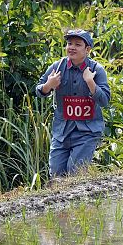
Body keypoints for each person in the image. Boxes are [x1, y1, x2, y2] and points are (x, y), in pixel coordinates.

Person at [35, 28, 111, 177]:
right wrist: (48, 85)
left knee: (75, 173)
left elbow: (105, 101)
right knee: (56, 174)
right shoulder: (57, 67)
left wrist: (90, 82)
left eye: (77, 44)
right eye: (69, 43)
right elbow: (38, 90)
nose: (72, 47)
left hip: (87, 132)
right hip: (62, 131)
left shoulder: (96, 70)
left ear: (87, 49)